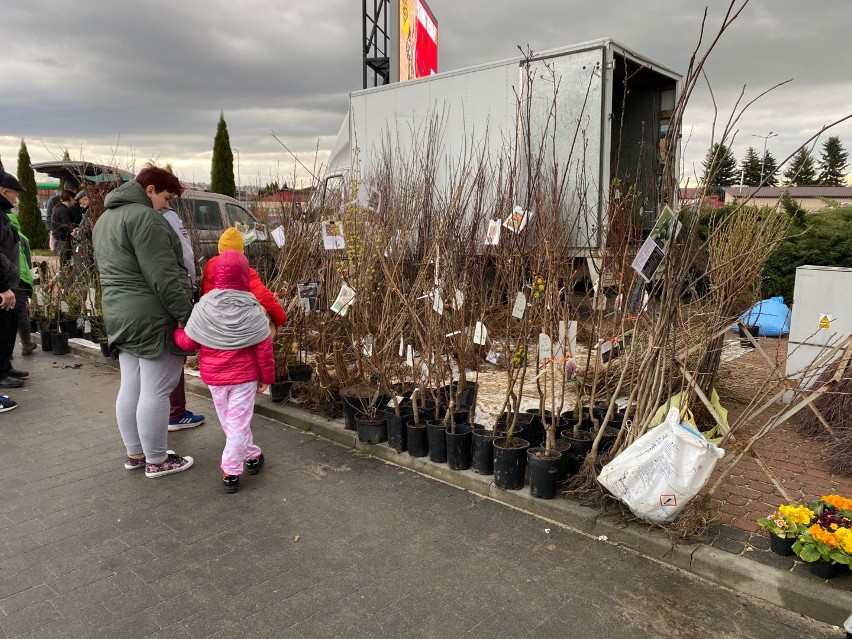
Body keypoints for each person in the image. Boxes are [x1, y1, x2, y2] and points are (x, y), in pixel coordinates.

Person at [93, 166, 195, 478]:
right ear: (149, 189)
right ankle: (158, 459)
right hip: (151, 316)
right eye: (166, 198)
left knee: (132, 386)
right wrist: (186, 316)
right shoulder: (146, 219)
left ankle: (137, 453)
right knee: (157, 389)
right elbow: (163, 277)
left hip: (119, 313)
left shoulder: (105, 219)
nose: (167, 206)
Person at [174, 250, 274, 493]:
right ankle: (231, 469)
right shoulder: (253, 308)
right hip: (244, 378)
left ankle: (253, 456)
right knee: (237, 424)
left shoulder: (205, 306)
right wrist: (266, 378)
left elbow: (188, 342)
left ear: (216, 274)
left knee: (232, 424)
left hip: (215, 379)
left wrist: (175, 332)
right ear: (244, 275)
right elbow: (264, 348)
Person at [161, 202, 205, 431]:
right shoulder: (167, 217)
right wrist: (191, 284)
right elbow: (186, 256)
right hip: (173, 292)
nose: (168, 200)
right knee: (175, 355)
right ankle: (175, 413)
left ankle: (172, 411)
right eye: (167, 194)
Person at [201, 228, 287, 329]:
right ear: (241, 251)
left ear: (220, 248)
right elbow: (263, 296)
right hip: (234, 325)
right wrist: (280, 319)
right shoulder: (245, 271)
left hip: (209, 321)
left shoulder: (209, 266)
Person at [0, 170, 27, 406]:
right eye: (14, 194)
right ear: (3, 191)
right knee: (2, 328)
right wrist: (3, 286)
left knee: (8, 327)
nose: (16, 200)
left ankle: (6, 367)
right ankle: (2, 373)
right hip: (3, 284)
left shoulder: (4, 215)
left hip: (10, 282)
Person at [8, 213, 36, 355]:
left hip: (5, 279)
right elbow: (28, 260)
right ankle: (26, 344)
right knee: (20, 312)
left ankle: (8, 352)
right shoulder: (22, 238)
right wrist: (34, 279)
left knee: (6, 313)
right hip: (21, 278)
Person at [51, 190, 76, 266]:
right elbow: (67, 227)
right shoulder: (64, 210)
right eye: (74, 199)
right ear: (71, 198)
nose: (75, 201)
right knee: (66, 266)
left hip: (59, 242)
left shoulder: (58, 208)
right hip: (63, 242)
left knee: (65, 265)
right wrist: (75, 231)